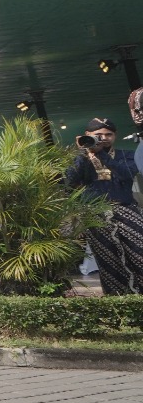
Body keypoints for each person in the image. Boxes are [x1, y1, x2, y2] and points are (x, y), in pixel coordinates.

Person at [65, 117, 141, 296]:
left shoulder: (125, 154)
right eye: (98, 135)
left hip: (126, 210)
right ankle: (118, 302)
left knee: (139, 252)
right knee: (108, 260)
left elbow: (127, 175)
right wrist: (83, 154)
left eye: (109, 134)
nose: (104, 138)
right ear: (87, 135)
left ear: (115, 136)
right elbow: (70, 182)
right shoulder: (80, 158)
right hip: (95, 214)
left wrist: (101, 154)